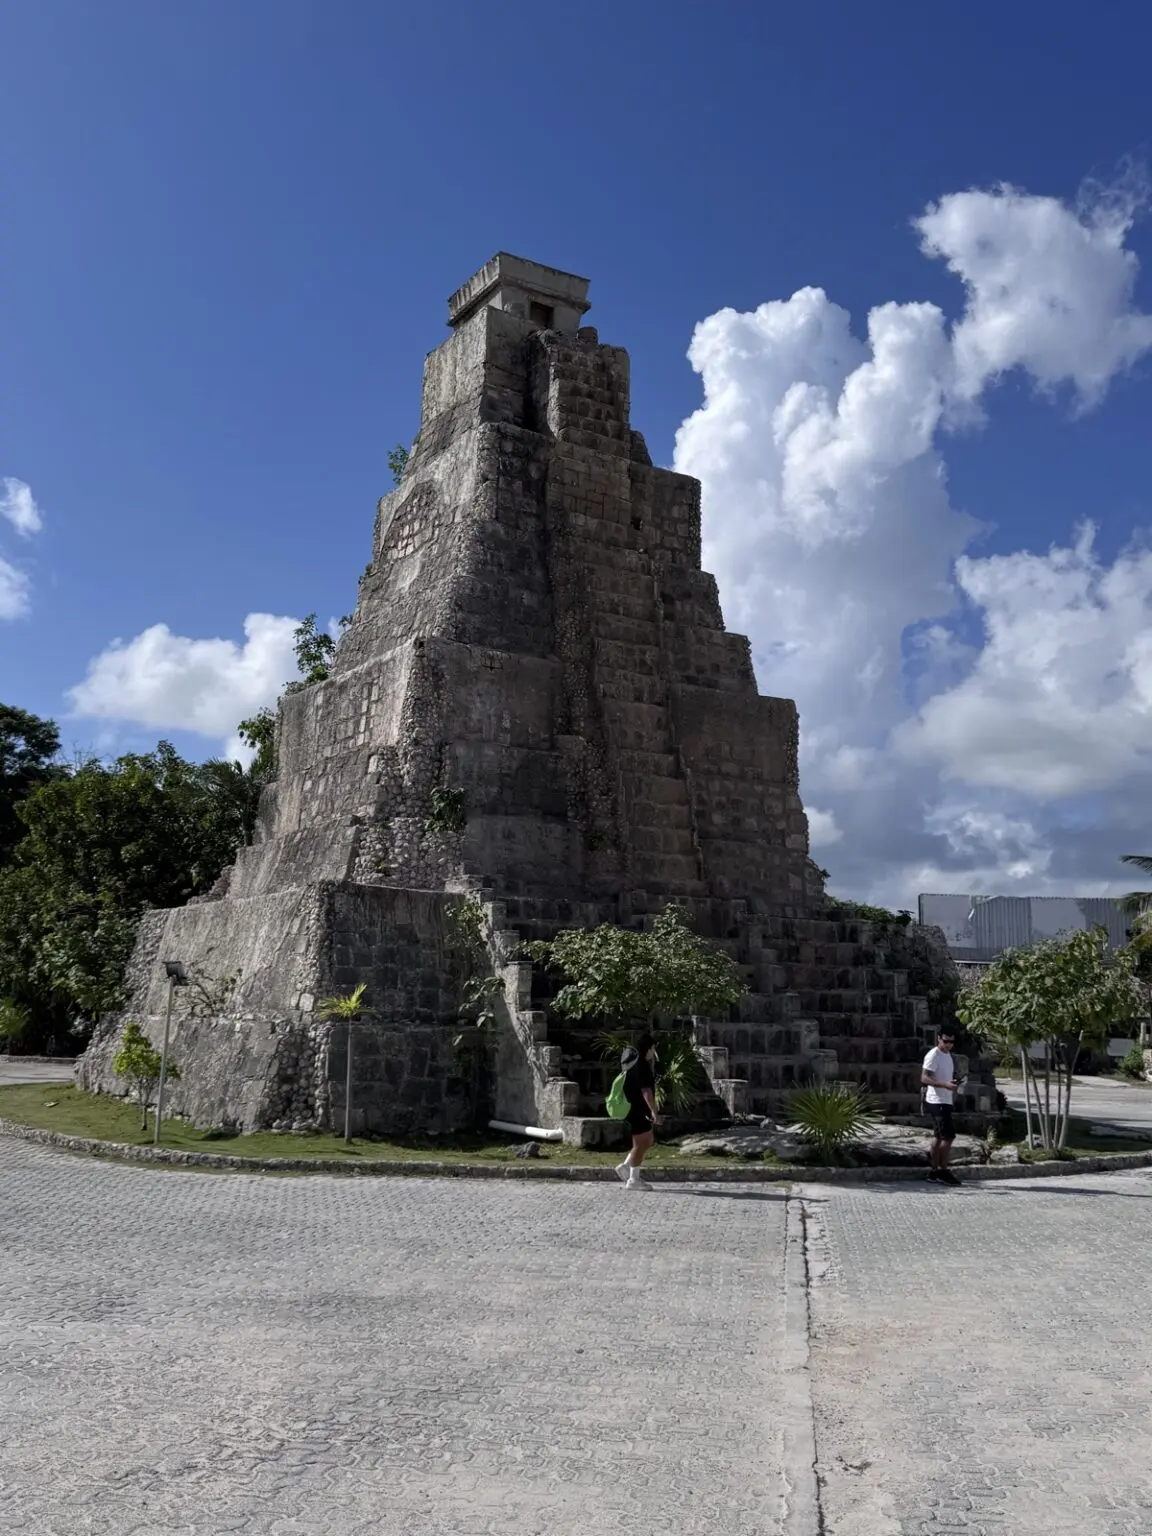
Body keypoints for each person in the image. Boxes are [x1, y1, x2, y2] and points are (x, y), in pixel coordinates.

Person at [615, 1034, 659, 1190]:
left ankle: (626, 1166)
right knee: (641, 1143)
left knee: (647, 1140)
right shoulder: (642, 1065)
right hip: (638, 1108)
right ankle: (633, 1179)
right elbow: (646, 1090)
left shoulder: (632, 1064)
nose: (653, 1053)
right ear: (648, 1048)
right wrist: (653, 1111)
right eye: (653, 1049)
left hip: (632, 1108)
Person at [922, 1029, 963, 1185]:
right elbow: (924, 1077)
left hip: (945, 1099)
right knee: (948, 1136)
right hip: (936, 1100)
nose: (948, 1045)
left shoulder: (948, 1055)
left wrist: (952, 1082)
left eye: (951, 1042)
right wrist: (944, 1085)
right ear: (939, 1039)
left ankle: (934, 1171)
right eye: (945, 1041)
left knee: (939, 1136)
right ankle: (943, 1170)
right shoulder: (934, 1055)